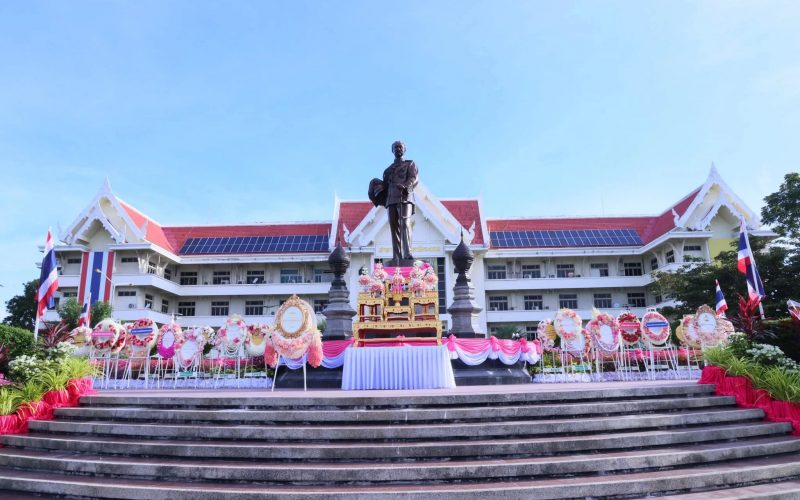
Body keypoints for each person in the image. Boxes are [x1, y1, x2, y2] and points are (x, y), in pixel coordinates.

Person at [368, 141, 419, 265]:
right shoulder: (388, 170)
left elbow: (414, 178)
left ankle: (407, 254)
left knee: (405, 223)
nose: (398, 149)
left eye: (400, 147)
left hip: (405, 196)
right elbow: (385, 185)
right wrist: (374, 184)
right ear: (392, 150)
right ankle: (396, 256)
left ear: (404, 149)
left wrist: (406, 186)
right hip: (391, 199)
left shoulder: (409, 164)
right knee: (394, 227)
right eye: (395, 147)